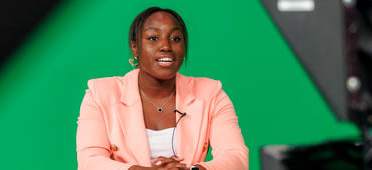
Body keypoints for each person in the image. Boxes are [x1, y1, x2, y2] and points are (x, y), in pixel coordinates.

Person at [76, 7, 248, 170]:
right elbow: (89, 162)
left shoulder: (211, 93)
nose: (166, 46)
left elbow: (236, 157)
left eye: (175, 39)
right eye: (153, 38)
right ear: (134, 47)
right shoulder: (99, 94)